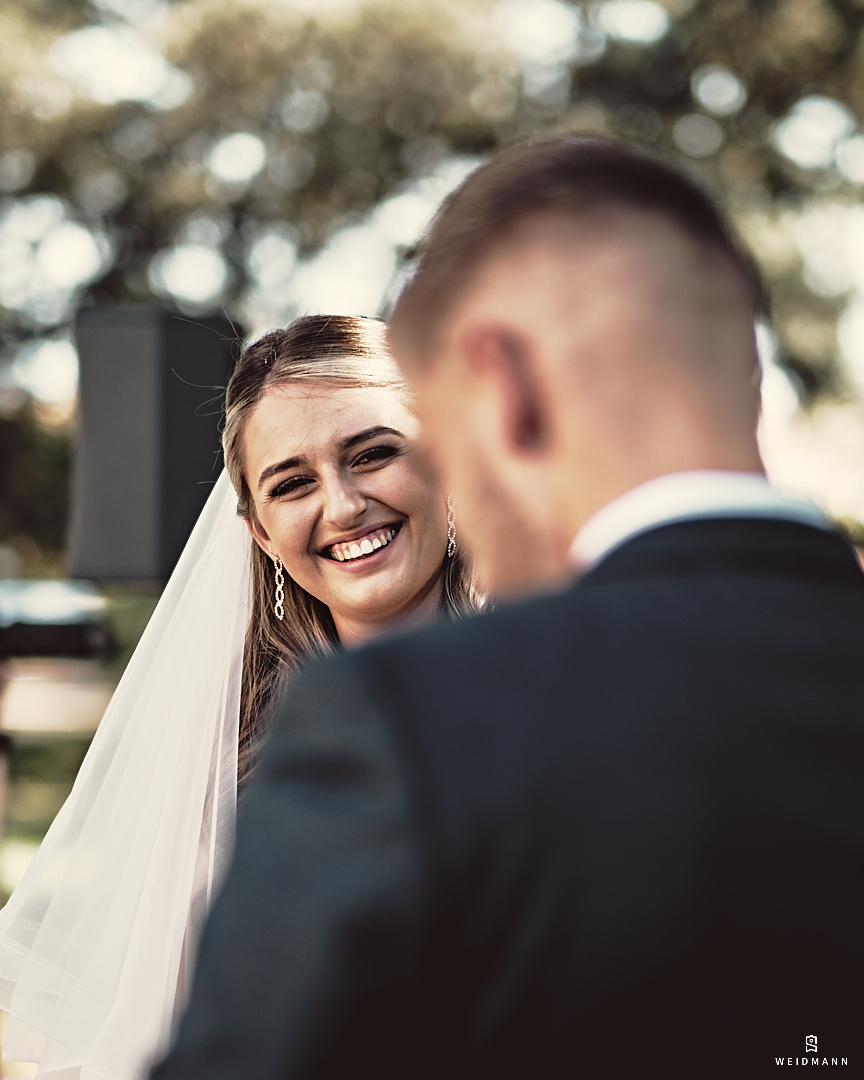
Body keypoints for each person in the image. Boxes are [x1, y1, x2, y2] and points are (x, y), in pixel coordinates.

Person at [152, 138, 864, 1080]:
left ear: (505, 388)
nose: (347, 503)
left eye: (409, 441)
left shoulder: (419, 720)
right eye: (290, 482)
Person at [0, 315, 478, 1080]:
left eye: (375, 454)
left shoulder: (565, 686)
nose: (345, 505)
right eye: (293, 484)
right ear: (258, 532)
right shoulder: (230, 760)